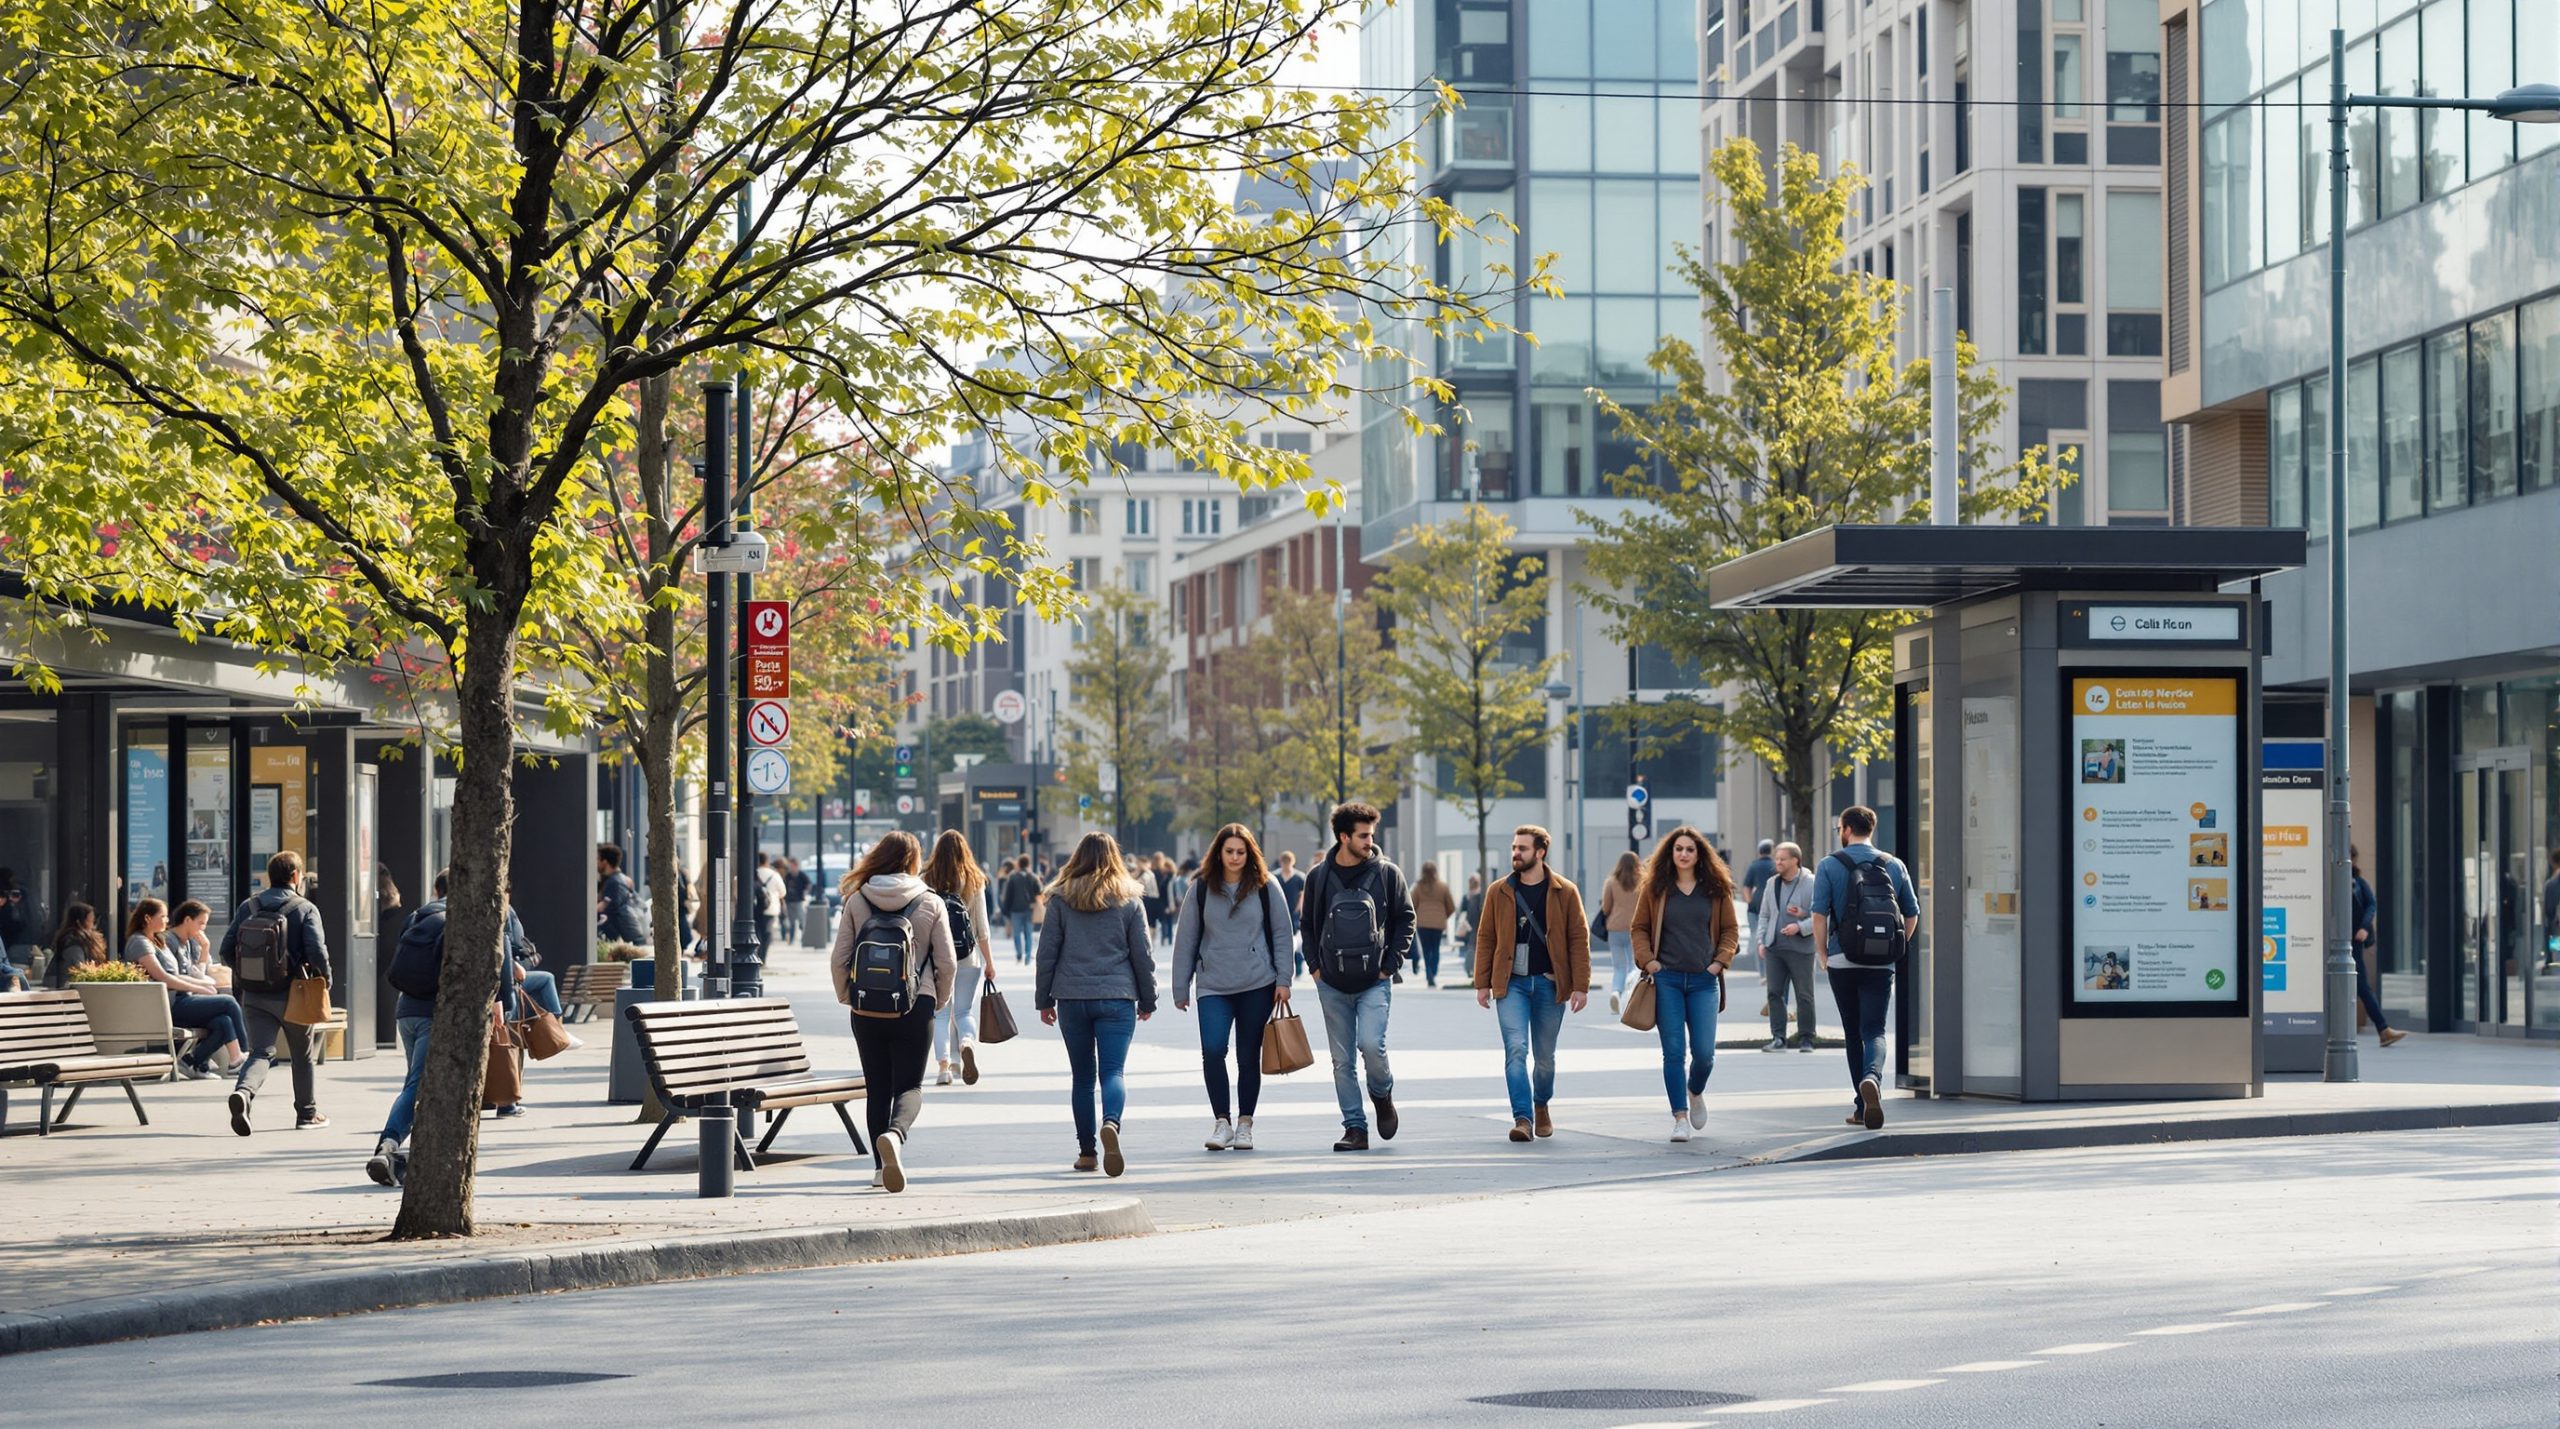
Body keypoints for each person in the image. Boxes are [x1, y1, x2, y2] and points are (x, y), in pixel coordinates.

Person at [830, 832, 957, 1193]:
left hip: (867, 1006)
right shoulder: (930, 901)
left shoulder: (857, 899)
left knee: (878, 1088)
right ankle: (895, 1135)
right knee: (910, 1086)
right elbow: (947, 962)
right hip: (916, 1005)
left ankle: (877, 1168)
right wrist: (938, 998)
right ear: (914, 861)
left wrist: (848, 997)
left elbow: (840, 958)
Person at [1035, 832, 1156, 1176]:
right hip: (1117, 996)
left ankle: (1087, 1152)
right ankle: (1112, 1124)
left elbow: (1047, 953)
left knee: (1082, 1078)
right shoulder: (1130, 900)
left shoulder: (1060, 899)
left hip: (1072, 998)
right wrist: (1148, 998)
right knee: (1113, 1072)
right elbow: (1142, 955)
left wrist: (1043, 999)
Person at [1172, 823, 1294, 1151]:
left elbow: (1283, 934)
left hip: (1257, 983)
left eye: (1241, 852)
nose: (1235, 857)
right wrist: (1180, 986)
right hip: (1213, 983)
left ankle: (1245, 1124)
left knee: (1247, 1055)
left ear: (1250, 853)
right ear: (1219, 852)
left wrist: (1284, 979)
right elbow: (1186, 938)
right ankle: (1221, 1122)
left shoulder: (1267, 886)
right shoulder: (1200, 888)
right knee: (1212, 1050)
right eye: (1229, 852)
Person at [1301, 802, 1413, 1152]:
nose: (1370, 841)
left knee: (1371, 1046)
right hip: (1331, 983)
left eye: (1371, 835)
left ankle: (1382, 1094)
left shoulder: (1387, 874)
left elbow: (1405, 919)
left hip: (1374, 981)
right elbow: (1307, 925)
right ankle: (1355, 1128)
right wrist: (1315, 968)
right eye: (1363, 836)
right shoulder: (1318, 876)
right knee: (1342, 1061)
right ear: (1343, 836)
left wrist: (1389, 965)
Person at [1471, 825, 1589, 1143]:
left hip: (1551, 985)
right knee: (1516, 1050)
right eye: (1514, 847)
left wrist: (1581, 985)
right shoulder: (1499, 891)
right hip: (1512, 986)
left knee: (1546, 1058)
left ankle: (1541, 1105)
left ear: (1540, 852)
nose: (1515, 853)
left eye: (1522, 848)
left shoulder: (1565, 891)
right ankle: (1522, 1118)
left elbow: (1579, 939)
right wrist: (1482, 982)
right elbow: (1486, 937)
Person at [1808, 806, 1917, 1131]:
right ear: (1872, 828)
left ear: (1845, 829)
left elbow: (1818, 915)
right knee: (1875, 1031)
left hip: (1843, 959)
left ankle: (1861, 1104)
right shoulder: (1893, 864)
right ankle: (1872, 1079)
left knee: (1853, 1034)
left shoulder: (1830, 865)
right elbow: (1911, 913)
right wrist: (1898, 947)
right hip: (1881, 961)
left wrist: (1824, 953)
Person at [1630, 827, 1738, 1141]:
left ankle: (1695, 1090)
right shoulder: (1656, 889)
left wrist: (1719, 962)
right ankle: (1680, 1118)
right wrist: (1649, 961)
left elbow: (1730, 930)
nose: (1684, 854)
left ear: (1699, 854)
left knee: (1704, 1054)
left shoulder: (1716, 889)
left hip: (1705, 980)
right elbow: (1639, 929)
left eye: (1690, 849)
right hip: (1668, 982)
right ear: (1671, 852)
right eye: (1679, 849)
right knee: (1674, 1053)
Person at [220, 851, 333, 1134]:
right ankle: (307, 1114)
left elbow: (226, 949)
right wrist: (325, 979)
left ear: (271, 876)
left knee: (260, 1053)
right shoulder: (305, 908)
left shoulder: (249, 906)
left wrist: (248, 976)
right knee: (302, 1054)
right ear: (295, 875)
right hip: (294, 993)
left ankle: (244, 1093)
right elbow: (317, 951)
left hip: (255, 995)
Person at [133, 898, 247, 1080]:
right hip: (170, 1004)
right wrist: (199, 986)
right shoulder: (144, 942)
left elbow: (178, 974)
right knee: (228, 1002)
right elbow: (165, 978)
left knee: (223, 1021)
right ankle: (245, 1055)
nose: (166, 920)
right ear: (148, 918)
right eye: (162, 916)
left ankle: (193, 1062)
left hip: (176, 1001)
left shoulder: (159, 942)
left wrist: (201, 984)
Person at [923, 831, 996, 1087]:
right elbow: (982, 928)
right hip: (968, 956)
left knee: (940, 1013)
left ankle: (944, 1068)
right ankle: (966, 1042)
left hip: (936, 957)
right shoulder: (975, 880)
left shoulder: (926, 880)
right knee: (964, 1011)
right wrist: (989, 963)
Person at [1754, 841, 1819, 1051]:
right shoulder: (1772, 883)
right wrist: (1761, 940)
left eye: (1782, 858)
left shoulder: (1812, 882)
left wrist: (1800, 926)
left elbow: (1821, 917)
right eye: (1777, 858)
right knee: (1774, 993)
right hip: (1775, 948)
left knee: (1804, 995)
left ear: (1795, 861)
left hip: (1802, 950)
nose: (1778, 862)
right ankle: (1778, 1038)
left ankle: (1807, 1038)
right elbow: (1764, 915)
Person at [2350, 847, 2408, 1048]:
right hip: (2337, 943)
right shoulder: (2334, 880)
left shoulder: (2358, 882)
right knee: (2360, 987)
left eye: (2353, 859)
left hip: (2353, 943)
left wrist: (2364, 927)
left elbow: (2371, 904)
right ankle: (2383, 1030)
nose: (2352, 862)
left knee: (2362, 987)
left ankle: (2383, 1030)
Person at [1597, 851, 1642, 1014]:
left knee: (1618, 966)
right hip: (1635, 928)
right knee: (1633, 964)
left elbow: (1605, 907)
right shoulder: (1642, 882)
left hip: (1615, 928)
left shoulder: (1611, 881)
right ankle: (1630, 995)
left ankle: (1616, 991)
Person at [1409, 861, 1458, 988]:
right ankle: (1434, 971)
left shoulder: (1418, 887)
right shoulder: (1442, 887)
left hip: (1422, 923)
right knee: (1435, 948)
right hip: (1438, 923)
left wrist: (1416, 916)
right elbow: (1451, 906)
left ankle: (1429, 974)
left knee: (1426, 950)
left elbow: (1412, 905)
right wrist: (1443, 916)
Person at [41, 902, 105, 989]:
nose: (93, 924)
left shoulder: (80, 940)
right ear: (80, 922)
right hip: (66, 987)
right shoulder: (73, 942)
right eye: (90, 919)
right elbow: (80, 967)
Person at [596, 844, 649, 947]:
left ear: (605, 862)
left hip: (622, 940)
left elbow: (605, 907)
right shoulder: (622, 879)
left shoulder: (615, 882)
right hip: (628, 937)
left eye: (598, 859)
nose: (596, 862)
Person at [999, 855, 1041, 965]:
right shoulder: (1033, 877)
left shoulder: (1013, 877)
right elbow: (1040, 893)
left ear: (1019, 864)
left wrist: (1006, 910)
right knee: (1028, 933)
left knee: (1016, 933)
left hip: (1015, 910)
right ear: (1028, 864)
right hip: (1030, 909)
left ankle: (1019, 954)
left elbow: (1008, 895)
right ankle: (1027, 956)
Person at [1273, 849, 1308, 974]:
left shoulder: (1299, 877)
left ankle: (1297, 966)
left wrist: (1299, 909)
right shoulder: (1275, 877)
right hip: (1278, 912)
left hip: (1294, 913)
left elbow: (1302, 894)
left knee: (1295, 941)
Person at [783, 857, 815, 945]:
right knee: (791, 922)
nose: (790, 868)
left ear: (796, 866)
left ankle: (803, 939)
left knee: (802, 920)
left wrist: (805, 892)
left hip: (799, 900)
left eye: (791, 866)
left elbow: (808, 884)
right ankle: (791, 939)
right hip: (789, 901)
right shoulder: (788, 876)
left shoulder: (801, 875)